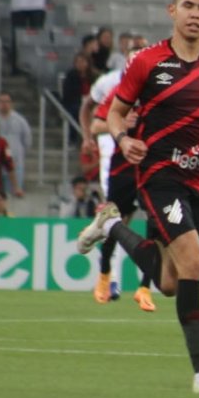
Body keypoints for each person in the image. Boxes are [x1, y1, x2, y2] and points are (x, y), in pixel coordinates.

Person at [76, 0, 199, 395]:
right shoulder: (146, 62)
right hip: (159, 176)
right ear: (172, 12)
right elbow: (116, 114)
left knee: (171, 283)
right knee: (193, 262)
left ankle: (110, 227)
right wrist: (123, 139)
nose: (195, 13)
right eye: (187, 5)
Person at [81, 36, 157, 311]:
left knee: (153, 229)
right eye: (132, 59)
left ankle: (145, 287)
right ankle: (103, 276)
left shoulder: (158, 92)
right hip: (122, 170)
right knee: (114, 224)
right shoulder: (119, 93)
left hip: (150, 170)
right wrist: (122, 122)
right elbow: (97, 126)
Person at [0, 92, 32, 197]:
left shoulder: (20, 120)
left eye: (7, 101)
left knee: (14, 195)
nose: (4, 104)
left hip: (15, 163)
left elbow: (27, 140)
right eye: (1, 101)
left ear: (11, 104)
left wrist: (19, 154)